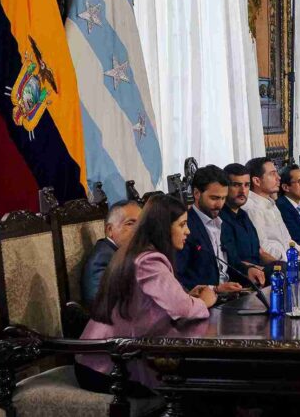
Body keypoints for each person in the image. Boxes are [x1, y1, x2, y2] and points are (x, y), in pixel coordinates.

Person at [76, 194, 215, 393]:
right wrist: (204, 301)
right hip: (106, 367)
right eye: (182, 224)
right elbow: (182, 309)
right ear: (164, 228)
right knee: (198, 385)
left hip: (120, 356)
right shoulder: (148, 260)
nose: (188, 231)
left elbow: (155, 302)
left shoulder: (141, 253)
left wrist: (189, 297)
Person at [175, 165, 263, 292]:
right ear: (196, 193)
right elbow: (179, 278)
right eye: (214, 198)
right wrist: (215, 289)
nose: (220, 205)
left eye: (223, 198)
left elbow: (232, 263)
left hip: (231, 295)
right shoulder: (186, 226)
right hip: (205, 302)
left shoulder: (223, 222)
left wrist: (248, 271)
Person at [242, 157, 300, 263]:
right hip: (276, 267)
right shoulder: (252, 208)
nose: (278, 178)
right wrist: (296, 258)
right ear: (257, 181)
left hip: (290, 260)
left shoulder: (271, 203)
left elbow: (286, 239)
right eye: (272, 174)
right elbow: (263, 249)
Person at [220, 163, 275, 286]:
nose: (243, 190)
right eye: (236, 185)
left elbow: (258, 252)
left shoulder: (244, 215)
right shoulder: (220, 218)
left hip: (258, 276)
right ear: (225, 187)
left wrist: (277, 263)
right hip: (239, 281)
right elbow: (231, 261)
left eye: (246, 185)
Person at [81, 199, 141, 307]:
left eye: (140, 224)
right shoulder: (101, 260)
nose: (138, 230)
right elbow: (101, 305)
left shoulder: (125, 251)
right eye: (130, 223)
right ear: (109, 230)